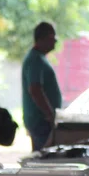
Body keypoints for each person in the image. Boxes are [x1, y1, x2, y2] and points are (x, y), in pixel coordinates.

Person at [22, 22, 62, 152]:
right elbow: (35, 89)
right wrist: (50, 114)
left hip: (42, 120)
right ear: (43, 38)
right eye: (52, 38)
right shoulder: (35, 59)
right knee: (43, 157)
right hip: (41, 121)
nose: (55, 42)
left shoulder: (39, 58)